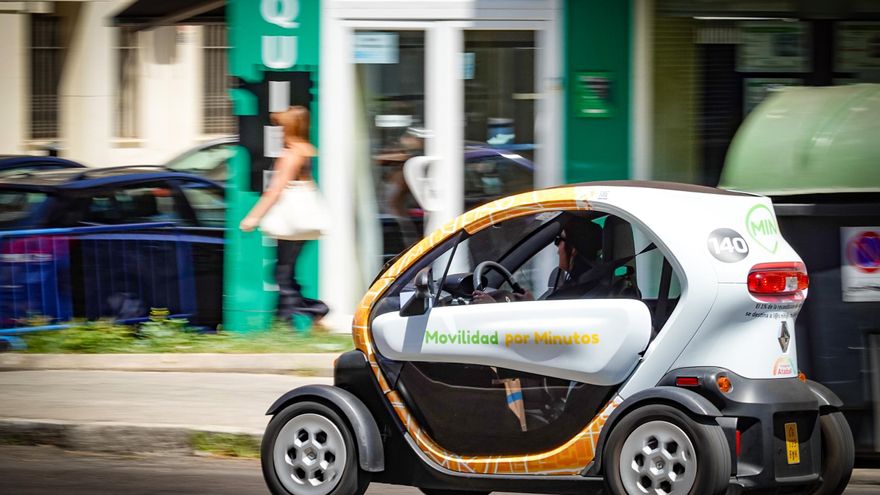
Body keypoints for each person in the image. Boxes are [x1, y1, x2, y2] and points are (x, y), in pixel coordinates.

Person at [239, 106, 329, 325]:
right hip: (301, 223)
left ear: (289, 128)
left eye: (280, 127)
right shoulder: (306, 150)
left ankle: (314, 309)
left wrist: (253, 217)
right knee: (285, 272)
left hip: (292, 224)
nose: (278, 131)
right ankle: (285, 321)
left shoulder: (290, 155)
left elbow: (276, 190)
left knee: (281, 273)